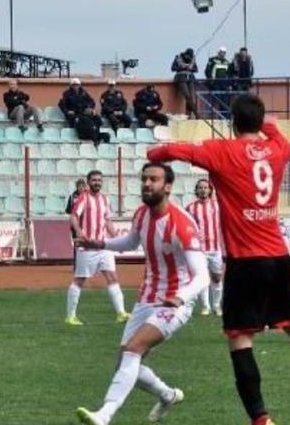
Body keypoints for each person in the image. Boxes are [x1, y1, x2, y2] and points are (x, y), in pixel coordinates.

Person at [148, 94, 290, 425]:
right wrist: (266, 124)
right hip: (278, 256)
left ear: (232, 123)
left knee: (240, 339)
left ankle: (261, 420)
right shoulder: (277, 150)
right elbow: (279, 136)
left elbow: (176, 151)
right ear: (259, 123)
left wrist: (154, 153)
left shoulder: (221, 151)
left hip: (246, 261)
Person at [74, 163, 209, 425]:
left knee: (134, 349)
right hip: (146, 298)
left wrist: (181, 297)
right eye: (144, 179)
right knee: (125, 362)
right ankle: (167, 394)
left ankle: (104, 414)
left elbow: (202, 275)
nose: (147, 184)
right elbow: (130, 242)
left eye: (154, 179)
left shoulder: (182, 224)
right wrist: (100, 243)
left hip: (174, 303)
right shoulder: (141, 214)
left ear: (168, 186)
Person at [66, 170, 129, 326]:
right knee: (79, 280)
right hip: (87, 247)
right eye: (94, 180)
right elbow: (73, 216)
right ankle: (70, 316)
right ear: (88, 182)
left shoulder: (104, 199)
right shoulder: (83, 198)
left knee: (112, 277)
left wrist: (117, 240)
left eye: (99, 180)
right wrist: (80, 233)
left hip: (103, 246)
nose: (97, 182)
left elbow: (107, 221)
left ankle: (121, 313)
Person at [185, 178, 224, 316]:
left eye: (205, 187)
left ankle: (216, 305)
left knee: (217, 277)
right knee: (202, 277)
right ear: (196, 190)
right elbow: (186, 227)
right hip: (199, 249)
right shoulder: (190, 208)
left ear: (210, 190)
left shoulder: (218, 206)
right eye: (200, 187)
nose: (203, 190)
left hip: (215, 248)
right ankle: (206, 306)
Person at [171, 48, 199, 118]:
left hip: (190, 78)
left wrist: (190, 68)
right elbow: (173, 68)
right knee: (187, 96)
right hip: (181, 77)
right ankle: (196, 113)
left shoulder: (192, 59)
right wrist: (182, 67)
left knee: (193, 98)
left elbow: (196, 69)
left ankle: (190, 113)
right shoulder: (178, 58)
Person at [205, 46, 231, 114]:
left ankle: (224, 116)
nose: (222, 54)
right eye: (221, 52)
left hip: (224, 84)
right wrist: (211, 81)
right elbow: (207, 71)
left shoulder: (227, 62)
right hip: (215, 83)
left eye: (224, 52)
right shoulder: (212, 60)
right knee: (217, 99)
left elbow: (229, 73)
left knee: (225, 100)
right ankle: (217, 115)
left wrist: (229, 84)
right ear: (219, 52)